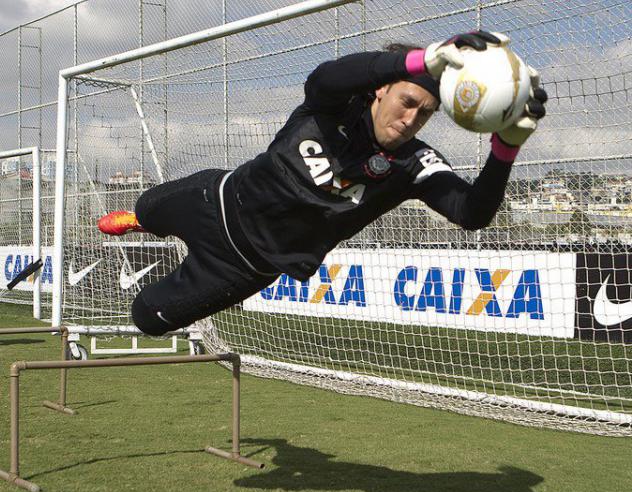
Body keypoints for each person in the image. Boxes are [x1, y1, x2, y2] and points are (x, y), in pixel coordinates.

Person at [98, 30, 548, 336]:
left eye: (426, 113)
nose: (412, 119)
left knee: (147, 318)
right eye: (407, 102)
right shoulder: (333, 105)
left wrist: (505, 146)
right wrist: (422, 59)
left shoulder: (413, 163)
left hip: (243, 266)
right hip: (214, 200)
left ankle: (151, 237)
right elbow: (325, 75)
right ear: (381, 89)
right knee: (145, 206)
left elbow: (472, 213)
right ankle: (142, 220)